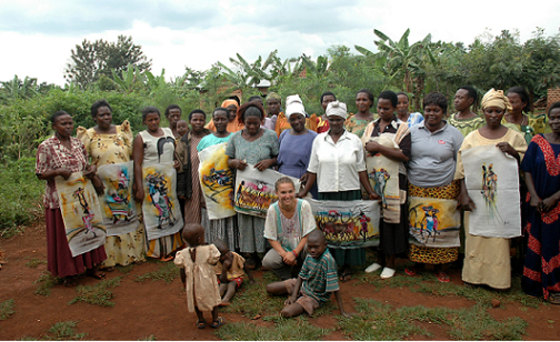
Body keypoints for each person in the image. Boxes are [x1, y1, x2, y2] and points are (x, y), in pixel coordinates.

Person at [298, 101, 378, 281]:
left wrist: (370, 191)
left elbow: (361, 169)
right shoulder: (319, 140)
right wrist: (304, 192)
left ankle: (348, 265)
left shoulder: (354, 141)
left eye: (338, 120)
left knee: (348, 229)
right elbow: (313, 169)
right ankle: (331, 263)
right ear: (326, 119)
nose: (334, 123)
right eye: (331, 119)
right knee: (331, 229)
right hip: (327, 192)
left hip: (349, 192)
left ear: (344, 120)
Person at [456, 88, 527, 290]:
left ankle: (498, 279)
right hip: (475, 197)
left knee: (498, 239)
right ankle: (473, 276)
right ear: (483, 112)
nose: (494, 116)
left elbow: (526, 165)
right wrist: (464, 194)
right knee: (476, 237)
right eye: (489, 111)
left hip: (502, 199)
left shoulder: (515, 137)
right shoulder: (471, 138)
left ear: (504, 113)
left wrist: (513, 153)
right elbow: (462, 169)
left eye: (498, 111)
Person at [35, 110, 106, 282]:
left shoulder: (77, 143)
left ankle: (91, 266)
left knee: (87, 229)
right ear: (54, 126)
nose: (68, 127)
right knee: (67, 233)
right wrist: (58, 171)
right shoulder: (46, 146)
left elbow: (85, 165)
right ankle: (69, 272)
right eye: (63, 124)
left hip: (81, 196)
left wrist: (91, 170)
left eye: (70, 123)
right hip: (60, 199)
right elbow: (40, 173)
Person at [77, 100, 146, 269]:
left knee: (126, 217)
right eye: (101, 115)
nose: (106, 117)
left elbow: (132, 157)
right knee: (108, 220)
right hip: (102, 187)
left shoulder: (123, 132)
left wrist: (136, 183)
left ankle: (131, 254)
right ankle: (109, 258)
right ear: (95, 118)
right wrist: (94, 178)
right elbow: (83, 161)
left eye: (108, 114)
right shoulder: (89, 135)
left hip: (124, 185)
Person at [405, 92, 464, 282]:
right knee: (418, 226)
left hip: (444, 188)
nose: (431, 114)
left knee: (442, 227)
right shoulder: (413, 132)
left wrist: (462, 190)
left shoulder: (454, 134)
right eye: (428, 110)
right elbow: (405, 157)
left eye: (436, 110)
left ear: (444, 112)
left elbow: (461, 164)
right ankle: (418, 264)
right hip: (417, 187)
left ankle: (442, 267)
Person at [361, 91, 411, 279]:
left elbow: (405, 155)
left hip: (394, 181)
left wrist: (379, 147)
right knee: (377, 220)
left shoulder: (402, 128)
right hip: (374, 181)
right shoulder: (370, 127)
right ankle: (378, 259)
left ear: (395, 107)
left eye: (386, 108)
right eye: (380, 108)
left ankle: (391, 262)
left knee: (392, 221)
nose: (382, 111)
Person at [226, 101, 279, 266]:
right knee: (245, 218)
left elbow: (278, 158)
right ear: (242, 120)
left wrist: (269, 162)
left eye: (256, 123)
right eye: (249, 123)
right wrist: (235, 163)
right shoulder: (235, 137)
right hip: (243, 188)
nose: (252, 126)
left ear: (261, 121)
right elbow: (228, 160)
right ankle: (249, 255)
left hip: (264, 188)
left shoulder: (270, 135)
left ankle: (264, 253)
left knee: (263, 218)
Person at [132, 106, 183, 261]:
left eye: (156, 119)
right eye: (150, 120)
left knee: (170, 209)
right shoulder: (141, 137)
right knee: (155, 212)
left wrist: (176, 163)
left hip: (168, 181)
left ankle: (173, 246)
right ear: (144, 121)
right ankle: (157, 250)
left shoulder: (168, 132)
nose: (153, 122)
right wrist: (139, 187)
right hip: (151, 183)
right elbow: (137, 163)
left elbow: (174, 154)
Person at [521, 102, 560, 303]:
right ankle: (533, 285)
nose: (556, 122)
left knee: (555, 245)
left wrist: (555, 197)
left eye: (559, 117)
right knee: (535, 241)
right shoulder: (537, 141)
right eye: (552, 117)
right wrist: (534, 195)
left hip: (557, 205)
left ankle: (555, 287)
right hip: (537, 203)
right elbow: (527, 168)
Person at [265, 230, 349, 318]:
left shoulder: (327, 261)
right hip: (304, 286)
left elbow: (335, 287)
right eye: (310, 247)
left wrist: (342, 311)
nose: (312, 250)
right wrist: (293, 296)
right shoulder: (310, 255)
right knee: (270, 288)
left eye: (316, 247)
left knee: (286, 312)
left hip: (315, 296)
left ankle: (300, 299)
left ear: (325, 245)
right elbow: (301, 276)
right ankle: (296, 295)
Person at [198, 108, 238, 251]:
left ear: (228, 120)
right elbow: (201, 170)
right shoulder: (205, 141)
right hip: (211, 189)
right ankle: (214, 249)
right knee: (213, 219)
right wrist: (202, 195)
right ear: (212, 120)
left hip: (230, 186)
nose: (219, 122)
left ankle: (231, 249)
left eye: (222, 119)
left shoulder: (235, 138)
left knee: (229, 220)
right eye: (216, 119)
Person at [263, 177, 317, 280]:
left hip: (302, 246)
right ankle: (287, 275)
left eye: (290, 192)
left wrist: (294, 253)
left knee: (311, 248)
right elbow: (271, 237)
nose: (287, 196)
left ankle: (305, 271)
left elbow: (308, 233)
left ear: (295, 191)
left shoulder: (304, 206)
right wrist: (285, 255)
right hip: (284, 247)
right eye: (283, 192)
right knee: (268, 261)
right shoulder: (273, 210)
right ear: (276, 193)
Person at [174, 223, 224, 329]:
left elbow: (182, 270)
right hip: (207, 281)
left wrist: (184, 282)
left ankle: (201, 320)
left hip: (192, 282)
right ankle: (215, 320)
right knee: (213, 298)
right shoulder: (208, 250)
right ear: (200, 238)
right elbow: (214, 262)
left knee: (195, 300)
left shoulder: (182, 254)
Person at [277, 94, 318, 198]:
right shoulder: (284, 134)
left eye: (299, 118)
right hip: (283, 180)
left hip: (304, 183)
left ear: (304, 117)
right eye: (292, 119)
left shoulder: (314, 137)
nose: (296, 122)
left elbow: (318, 163)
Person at [176, 109, 211, 224]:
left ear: (205, 121)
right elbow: (180, 165)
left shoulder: (211, 137)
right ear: (190, 122)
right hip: (192, 183)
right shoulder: (184, 141)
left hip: (210, 181)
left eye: (201, 120)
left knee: (209, 212)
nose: (198, 122)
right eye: (195, 120)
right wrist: (181, 190)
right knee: (193, 213)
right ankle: (194, 240)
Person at [213, 239, 253, 306]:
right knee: (223, 285)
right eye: (223, 255)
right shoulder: (216, 262)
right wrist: (224, 269)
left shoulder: (235, 256)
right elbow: (222, 279)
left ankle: (225, 300)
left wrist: (251, 279)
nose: (227, 255)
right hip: (223, 279)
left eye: (227, 252)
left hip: (236, 277)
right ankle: (217, 300)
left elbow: (245, 266)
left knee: (232, 284)